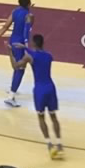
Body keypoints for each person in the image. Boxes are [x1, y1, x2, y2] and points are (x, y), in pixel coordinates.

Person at [26, 31, 63, 159]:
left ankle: (49, 144)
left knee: (41, 117)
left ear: (34, 43)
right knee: (53, 116)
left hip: (40, 89)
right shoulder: (49, 55)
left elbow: (17, 65)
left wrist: (10, 51)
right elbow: (37, 54)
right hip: (51, 87)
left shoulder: (30, 56)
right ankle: (59, 145)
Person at [0, 0, 34, 109]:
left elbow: (5, 26)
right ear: (29, 4)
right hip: (20, 44)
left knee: (16, 66)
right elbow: (26, 33)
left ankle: (12, 88)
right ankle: (11, 97)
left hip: (12, 40)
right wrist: (27, 48)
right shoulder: (28, 15)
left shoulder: (15, 11)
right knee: (20, 69)